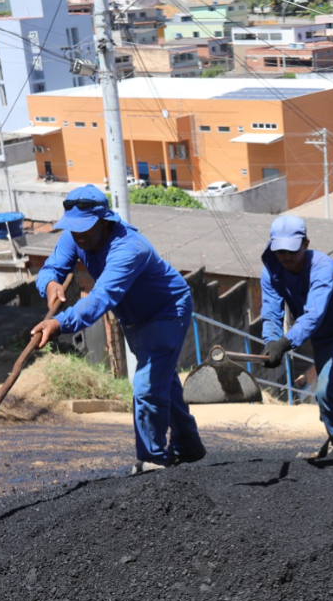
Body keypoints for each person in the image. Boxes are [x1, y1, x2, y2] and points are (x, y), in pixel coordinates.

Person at [31, 185, 205, 475]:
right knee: (162, 380)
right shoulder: (74, 236)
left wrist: (59, 322)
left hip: (166, 311)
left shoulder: (129, 248)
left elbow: (100, 298)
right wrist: (50, 284)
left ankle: (153, 460)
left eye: (85, 228)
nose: (79, 235)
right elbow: (51, 269)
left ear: (104, 220)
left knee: (147, 386)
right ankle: (188, 445)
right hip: (134, 317)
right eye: (74, 228)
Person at [260, 215, 333, 462]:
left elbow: (314, 313)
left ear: (306, 244)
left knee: (326, 389)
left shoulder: (322, 267)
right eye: (280, 251)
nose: (286, 256)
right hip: (320, 336)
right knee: (326, 393)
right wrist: (271, 342)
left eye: (292, 250)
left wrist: (285, 343)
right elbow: (271, 313)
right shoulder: (271, 272)